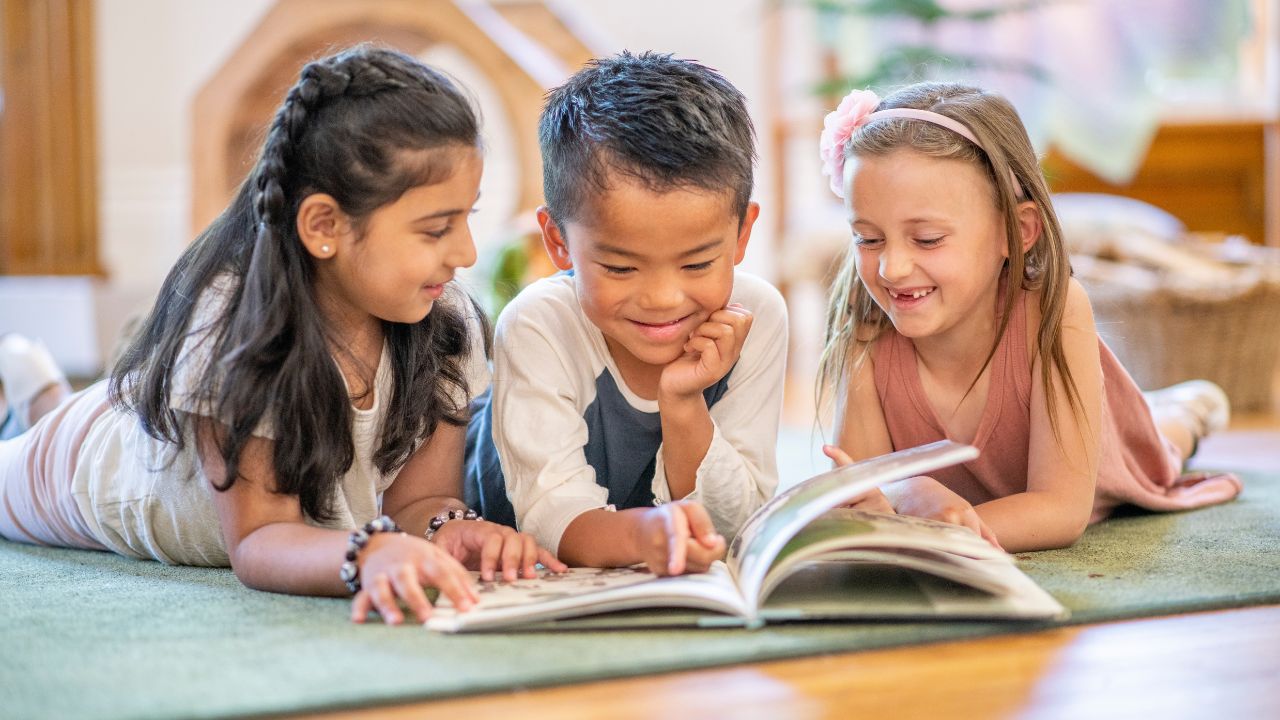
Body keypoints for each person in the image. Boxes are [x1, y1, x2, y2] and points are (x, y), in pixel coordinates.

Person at [0, 46, 564, 625]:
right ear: (324, 226)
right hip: (98, 471)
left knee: (56, 414)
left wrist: (452, 529)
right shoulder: (236, 327)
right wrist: (367, 551)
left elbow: (414, 504)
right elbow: (261, 539)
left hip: (143, 426)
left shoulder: (444, 322)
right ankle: (39, 405)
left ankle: (38, 394)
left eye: (467, 218)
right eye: (435, 229)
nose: (465, 252)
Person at [815, 82, 1242, 553]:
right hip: (966, 505)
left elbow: (1059, 511)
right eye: (868, 239)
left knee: (1159, 447)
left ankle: (1187, 409)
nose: (890, 268)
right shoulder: (865, 326)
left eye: (928, 239)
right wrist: (904, 491)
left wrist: (935, 530)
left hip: (1100, 457)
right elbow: (857, 489)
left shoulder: (1052, 310)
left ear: (1016, 232)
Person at [465, 52, 788, 576]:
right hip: (504, 523)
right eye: (619, 268)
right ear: (558, 241)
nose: (663, 298)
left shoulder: (756, 316)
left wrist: (683, 403)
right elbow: (550, 517)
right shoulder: (538, 324)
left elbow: (737, 522)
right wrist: (653, 535)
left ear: (743, 233)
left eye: (698, 262)